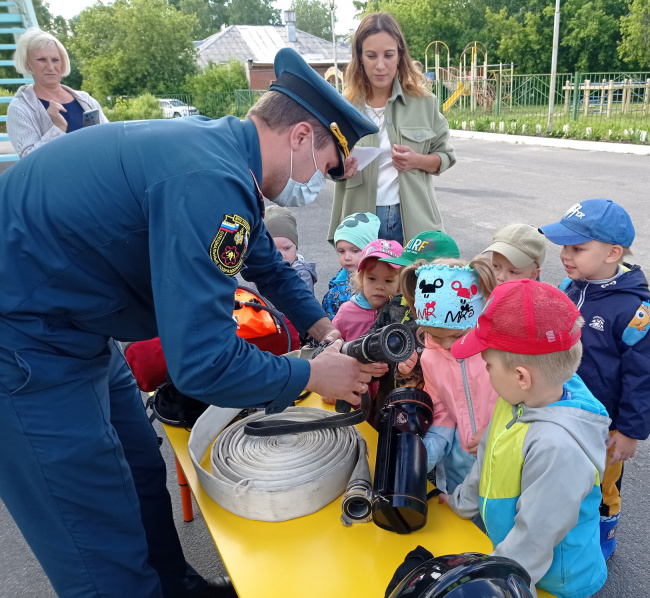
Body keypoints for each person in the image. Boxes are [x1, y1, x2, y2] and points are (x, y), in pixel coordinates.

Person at [0, 48, 385, 598]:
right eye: (324, 168)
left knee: (137, 468)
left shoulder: (226, 156)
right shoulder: (211, 181)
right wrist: (311, 377)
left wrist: (324, 332)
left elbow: (267, 265)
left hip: (73, 319)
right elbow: (203, 362)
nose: (316, 186)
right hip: (24, 338)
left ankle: (175, 586)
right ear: (300, 135)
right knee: (91, 527)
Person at [443, 279, 611, 598]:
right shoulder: (518, 399)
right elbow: (487, 456)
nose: (485, 370)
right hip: (512, 554)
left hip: (556, 580)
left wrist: (499, 585)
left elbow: (535, 537)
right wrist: (461, 502)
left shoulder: (558, 448)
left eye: (488, 364)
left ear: (521, 377)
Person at [538, 199, 650, 560]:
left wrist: (629, 431)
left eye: (578, 248)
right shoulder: (570, 287)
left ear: (612, 253)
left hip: (605, 424)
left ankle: (601, 540)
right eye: (564, 246)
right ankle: (561, 529)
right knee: (564, 475)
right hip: (562, 407)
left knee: (603, 485)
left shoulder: (634, 311)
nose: (565, 255)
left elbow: (644, 378)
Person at [327, 12, 456, 246]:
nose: (380, 65)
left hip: (412, 223)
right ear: (359, 58)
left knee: (411, 283)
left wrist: (416, 160)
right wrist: (338, 170)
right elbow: (323, 162)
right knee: (364, 284)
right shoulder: (341, 108)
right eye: (371, 55)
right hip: (360, 224)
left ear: (400, 56)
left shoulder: (424, 103)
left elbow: (446, 156)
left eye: (388, 55)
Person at [398, 258, 497, 493]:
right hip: (459, 474)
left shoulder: (498, 354)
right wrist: (426, 453)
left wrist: (496, 432)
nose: (448, 346)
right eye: (435, 336)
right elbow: (441, 411)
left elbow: (525, 405)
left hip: (504, 466)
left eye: (455, 336)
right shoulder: (431, 357)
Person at [7, 27, 108, 157]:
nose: (50, 67)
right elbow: (29, 160)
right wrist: (58, 128)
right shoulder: (20, 109)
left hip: (94, 175)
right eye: (41, 60)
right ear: (28, 64)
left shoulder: (85, 99)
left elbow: (108, 139)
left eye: (55, 60)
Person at [332, 239, 404, 341]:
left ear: (400, 284)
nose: (379, 286)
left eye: (388, 280)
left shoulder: (405, 312)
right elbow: (331, 343)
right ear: (361, 279)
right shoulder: (346, 311)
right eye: (372, 279)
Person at [323, 211, 381, 319]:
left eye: (354, 251)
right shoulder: (335, 287)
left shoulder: (382, 281)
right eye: (341, 251)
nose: (347, 257)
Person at [263, 205, 317, 294]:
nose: (281, 255)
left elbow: (301, 303)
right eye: (273, 249)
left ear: (296, 246)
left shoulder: (302, 275)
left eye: (287, 248)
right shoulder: (258, 269)